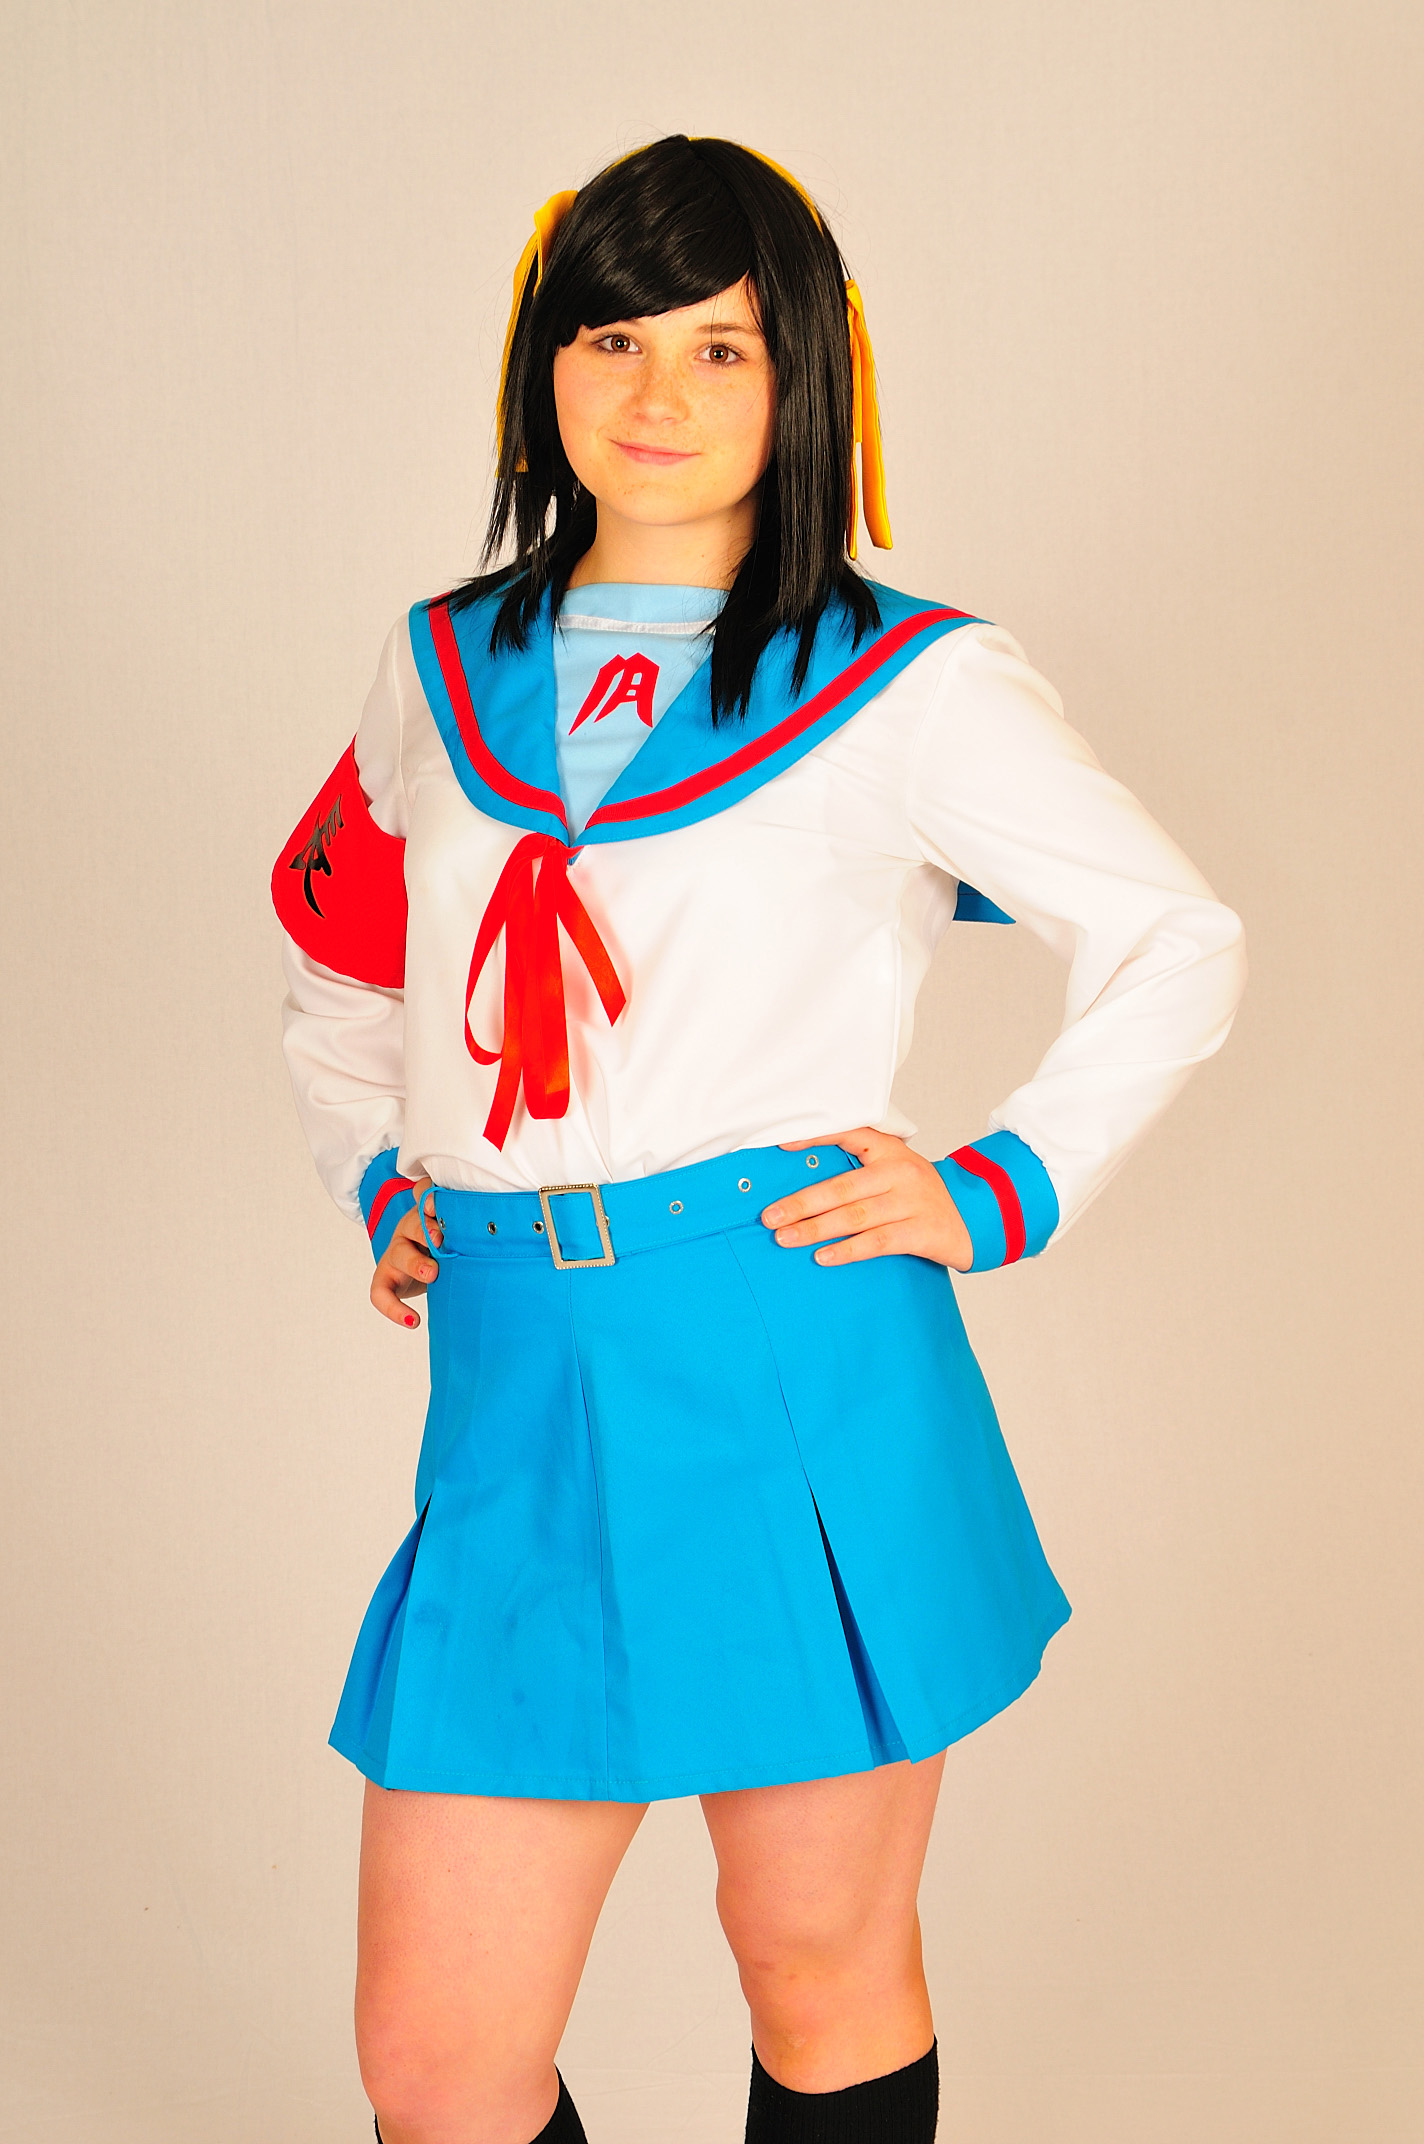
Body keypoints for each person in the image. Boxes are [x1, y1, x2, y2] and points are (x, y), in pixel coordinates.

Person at [271, 135, 1247, 2144]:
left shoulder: (909, 675)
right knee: (437, 2067)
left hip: (794, 1355)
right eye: (611, 338)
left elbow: (1176, 936)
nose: (657, 394)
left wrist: (993, 1189)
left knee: (816, 1968)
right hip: (517, 1373)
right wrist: (378, 1168)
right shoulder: (436, 662)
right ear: (543, 364)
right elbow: (343, 965)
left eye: (720, 348)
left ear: (806, 372)